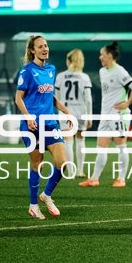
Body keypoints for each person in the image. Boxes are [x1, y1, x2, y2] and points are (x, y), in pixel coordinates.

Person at [15, 35, 73, 219]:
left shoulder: (51, 69)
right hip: (31, 126)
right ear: (32, 50)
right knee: (37, 163)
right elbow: (18, 98)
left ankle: (46, 195)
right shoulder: (26, 71)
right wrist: (28, 117)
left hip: (50, 123)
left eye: (46, 46)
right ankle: (33, 206)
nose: (45, 49)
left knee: (62, 162)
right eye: (40, 46)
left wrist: (66, 111)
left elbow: (50, 96)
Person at [78, 41, 132, 188]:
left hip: (119, 115)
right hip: (106, 115)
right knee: (101, 147)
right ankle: (94, 179)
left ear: (110, 56)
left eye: (102, 54)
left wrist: (127, 103)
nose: (100, 57)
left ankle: (121, 179)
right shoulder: (102, 71)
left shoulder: (119, 71)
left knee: (121, 146)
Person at [54, 48, 93, 178]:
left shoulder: (60, 76)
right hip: (81, 112)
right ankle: (80, 171)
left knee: (68, 142)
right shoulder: (84, 77)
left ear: (69, 60)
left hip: (66, 113)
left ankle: (70, 172)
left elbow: (56, 98)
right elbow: (88, 99)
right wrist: (89, 116)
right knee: (81, 141)